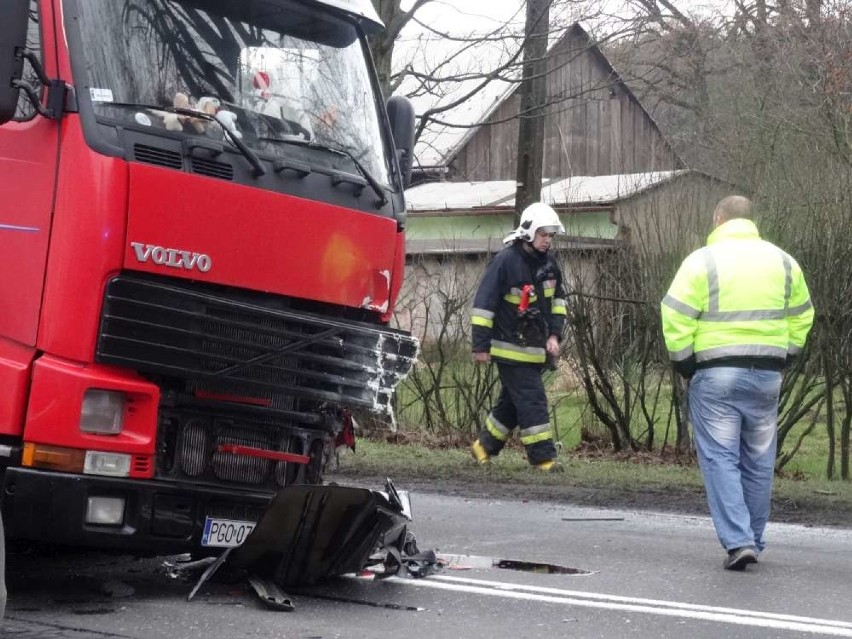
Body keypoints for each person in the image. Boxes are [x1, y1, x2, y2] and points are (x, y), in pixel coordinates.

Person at [661, 195, 814, 571]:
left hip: (716, 374)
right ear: (751, 221)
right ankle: (755, 540)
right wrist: (786, 356)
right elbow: (803, 315)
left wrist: (685, 365)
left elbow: (675, 313)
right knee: (760, 460)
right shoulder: (784, 262)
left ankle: (739, 541)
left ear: (718, 219)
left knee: (721, 458)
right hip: (767, 374)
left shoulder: (702, 261)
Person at [470, 202, 569, 471]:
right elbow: (483, 305)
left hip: (537, 349)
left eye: (550, 235)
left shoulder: (550, 265)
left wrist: (554, 335)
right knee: (532, 400)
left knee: (512, 404)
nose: (547, 240)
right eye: (543, 234)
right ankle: (543, 458)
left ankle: (484, 445)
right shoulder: (505, 262)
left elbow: (558, 302)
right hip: (509, 349)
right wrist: (480, 345)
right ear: (528, 232)